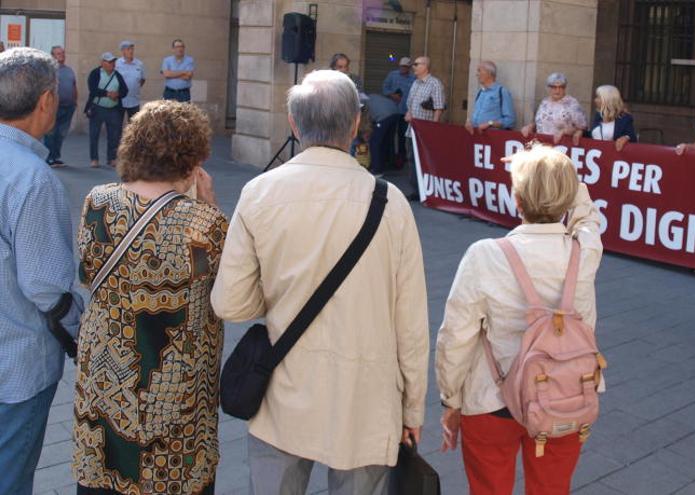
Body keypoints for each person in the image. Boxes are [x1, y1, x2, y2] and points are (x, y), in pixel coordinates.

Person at [211, 69, 429, 495]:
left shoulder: (259, 192)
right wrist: (413, 406)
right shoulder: (391, 203)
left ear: (293, 124)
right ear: (354, 125)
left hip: (284, 390)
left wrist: (280, 292)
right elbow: (411, 324)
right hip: (367, 397)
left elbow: (229, 303)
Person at [72, 100, 226, 494]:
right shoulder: (203, 222)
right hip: (176, 389)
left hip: (108, 376)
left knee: (105, 477)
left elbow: (88, 273)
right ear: (193, 160)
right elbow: (228, 293)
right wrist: (208, 205)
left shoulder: (97, 201)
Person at [436, 144, 603, 495]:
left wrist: (451, 400)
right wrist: (559, 166)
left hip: (492, 398)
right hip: (565, 394)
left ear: (517, 200)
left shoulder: (485, 255)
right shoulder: (584, 249)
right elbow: (587, 213)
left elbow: (456, 337)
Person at [0, 47, 83, 495]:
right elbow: (46, 286)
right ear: (47, 101)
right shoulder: (32, 178)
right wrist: (85, 330)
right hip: (15, 365)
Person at [405, 55, 445, 198]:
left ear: (425, 66)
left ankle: (425, 190)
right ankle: (415, 189)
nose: (413, 67)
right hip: (412, 129)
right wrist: (409, 113)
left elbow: (439, 108)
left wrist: (433, 130)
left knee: (423, 160)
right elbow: (410, 103)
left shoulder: (435, 84)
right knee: (411, 159)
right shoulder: (415, 83)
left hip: (425, 131)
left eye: (416, 64)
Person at [86, 51, 128, 168]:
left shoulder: (117, 75)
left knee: (113, 135)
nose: (112, 64)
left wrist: (117, 94)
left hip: (113, 109)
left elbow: (125, 90)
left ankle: (112, 158)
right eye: (109, 62)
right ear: (102, 63)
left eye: (113, 62)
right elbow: (92, 89)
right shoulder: (95, 73)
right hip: (97, 108)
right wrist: (108, 93)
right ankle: (94, 159)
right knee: (94, 134)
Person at [521, 73, 588, 145]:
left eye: (561, 87)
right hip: (541, 144)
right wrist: (530, 126)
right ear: (548, 88)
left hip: (561, 146)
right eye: (554, 87)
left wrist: (564, 131)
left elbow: (582, 128)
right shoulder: (545, 102)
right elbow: (540, 121)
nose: (558, 90)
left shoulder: (572, 103)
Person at [44, 45, 77, 167]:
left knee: (61, 133)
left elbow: (74, 86)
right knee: (51, 133)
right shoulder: (49, 71)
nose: (62, 55)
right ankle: (48, 157)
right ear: (52, 56)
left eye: (63, 53)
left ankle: (56, 157)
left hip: (68, 107)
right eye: (58, 53)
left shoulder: (69, 70)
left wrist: (75, 102)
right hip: (53, 107)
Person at [465, 60, 515, 134]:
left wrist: (490, 123)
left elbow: (510, 120)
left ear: (489, 73)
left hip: (493, 139)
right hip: (476, 137)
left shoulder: (501, 92)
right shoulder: (480, 92)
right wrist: (469, 121)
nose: (477, 74)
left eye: (479, 71)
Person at [383, 56, 415, 165]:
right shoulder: (392, 75)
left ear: (409, 67)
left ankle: (402, 157)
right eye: (401, 66)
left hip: (405, 112)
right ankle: (390, 157)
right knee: (390, 134)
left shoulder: (413, 78)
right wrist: (392, 95)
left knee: (403, 135)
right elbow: (384, 88)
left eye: (406, 67)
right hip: (391, 111)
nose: (403, 69)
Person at [588, 84, 636, 151]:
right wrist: (579, 131)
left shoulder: (625, 118)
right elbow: (591, 135)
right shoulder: (598, 115)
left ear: (607, 100)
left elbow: (632, 137)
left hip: (613, 158)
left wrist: (625, 138)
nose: (595, 100)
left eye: (598, 97)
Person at [364, 92, 401, 175]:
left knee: (374, 142)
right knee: (387, 141)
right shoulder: (374, 96)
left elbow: (367, 118)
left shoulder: (364, 101)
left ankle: (376, 168)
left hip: (384, 116)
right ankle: (389, 164)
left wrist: (367, 132)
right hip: (396, 113)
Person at [115, 40, 146, 120]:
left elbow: (142, 79)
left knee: (133, 126)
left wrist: (134, 87)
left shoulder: (139, 64)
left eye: (132, 49)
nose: (131, 51)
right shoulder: (117, 64)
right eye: (128, 49)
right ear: (123, 51)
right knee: (117, 126)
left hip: (134, 101)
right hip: (119, 101)